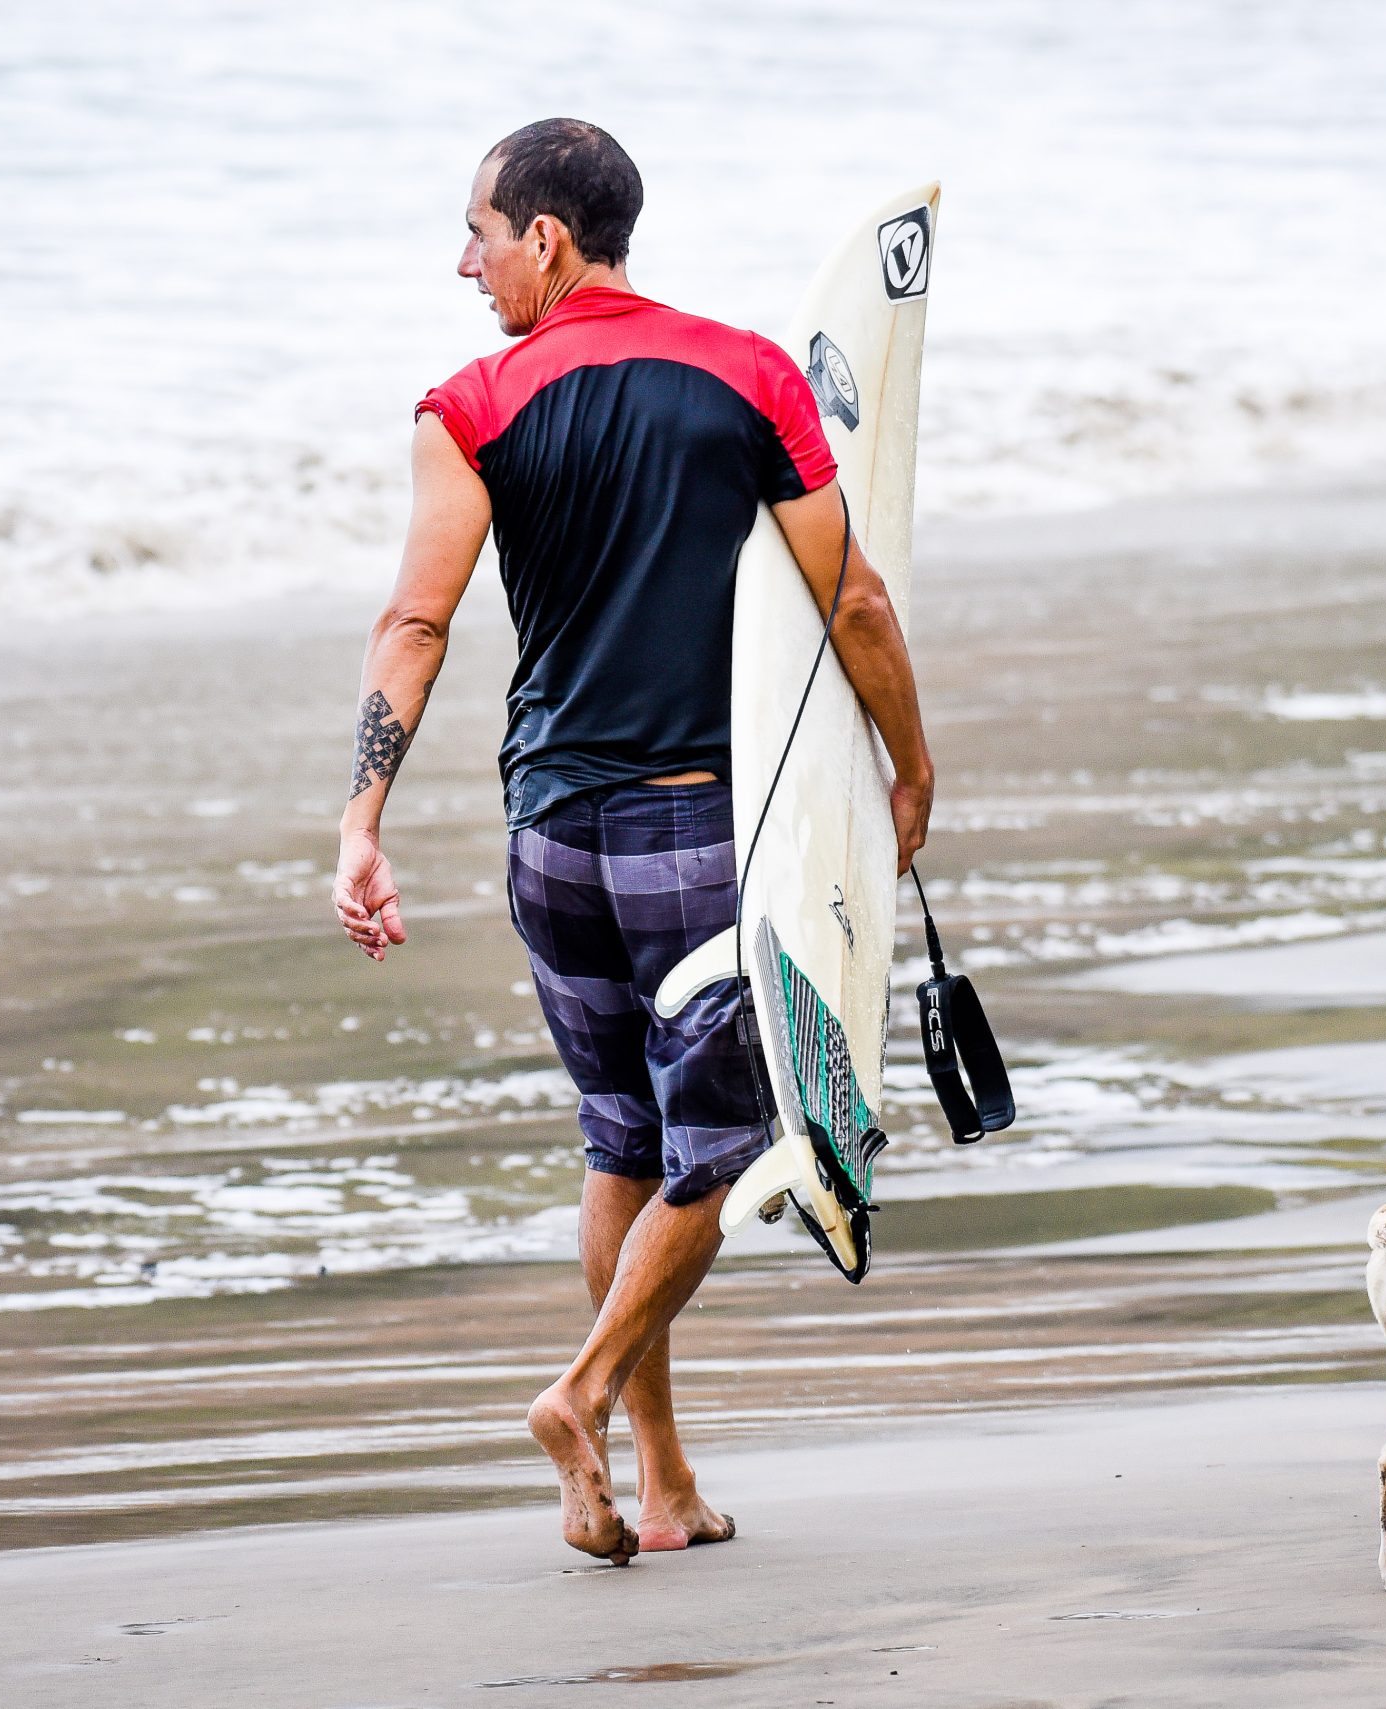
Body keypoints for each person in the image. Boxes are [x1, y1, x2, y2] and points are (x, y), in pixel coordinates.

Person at [331, 119, 934, 1565]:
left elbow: (417, 622)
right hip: (686, 827)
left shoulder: (468, 405)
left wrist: (361, 820)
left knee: (622, 1140)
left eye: (478, 234)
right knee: (717, 1145)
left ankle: (655, 1483)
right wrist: (907, 766)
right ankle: (583, 1392)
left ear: (546, 235)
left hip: (547, 834)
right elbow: (846, 598)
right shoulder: (747, 377)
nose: (463, 263)